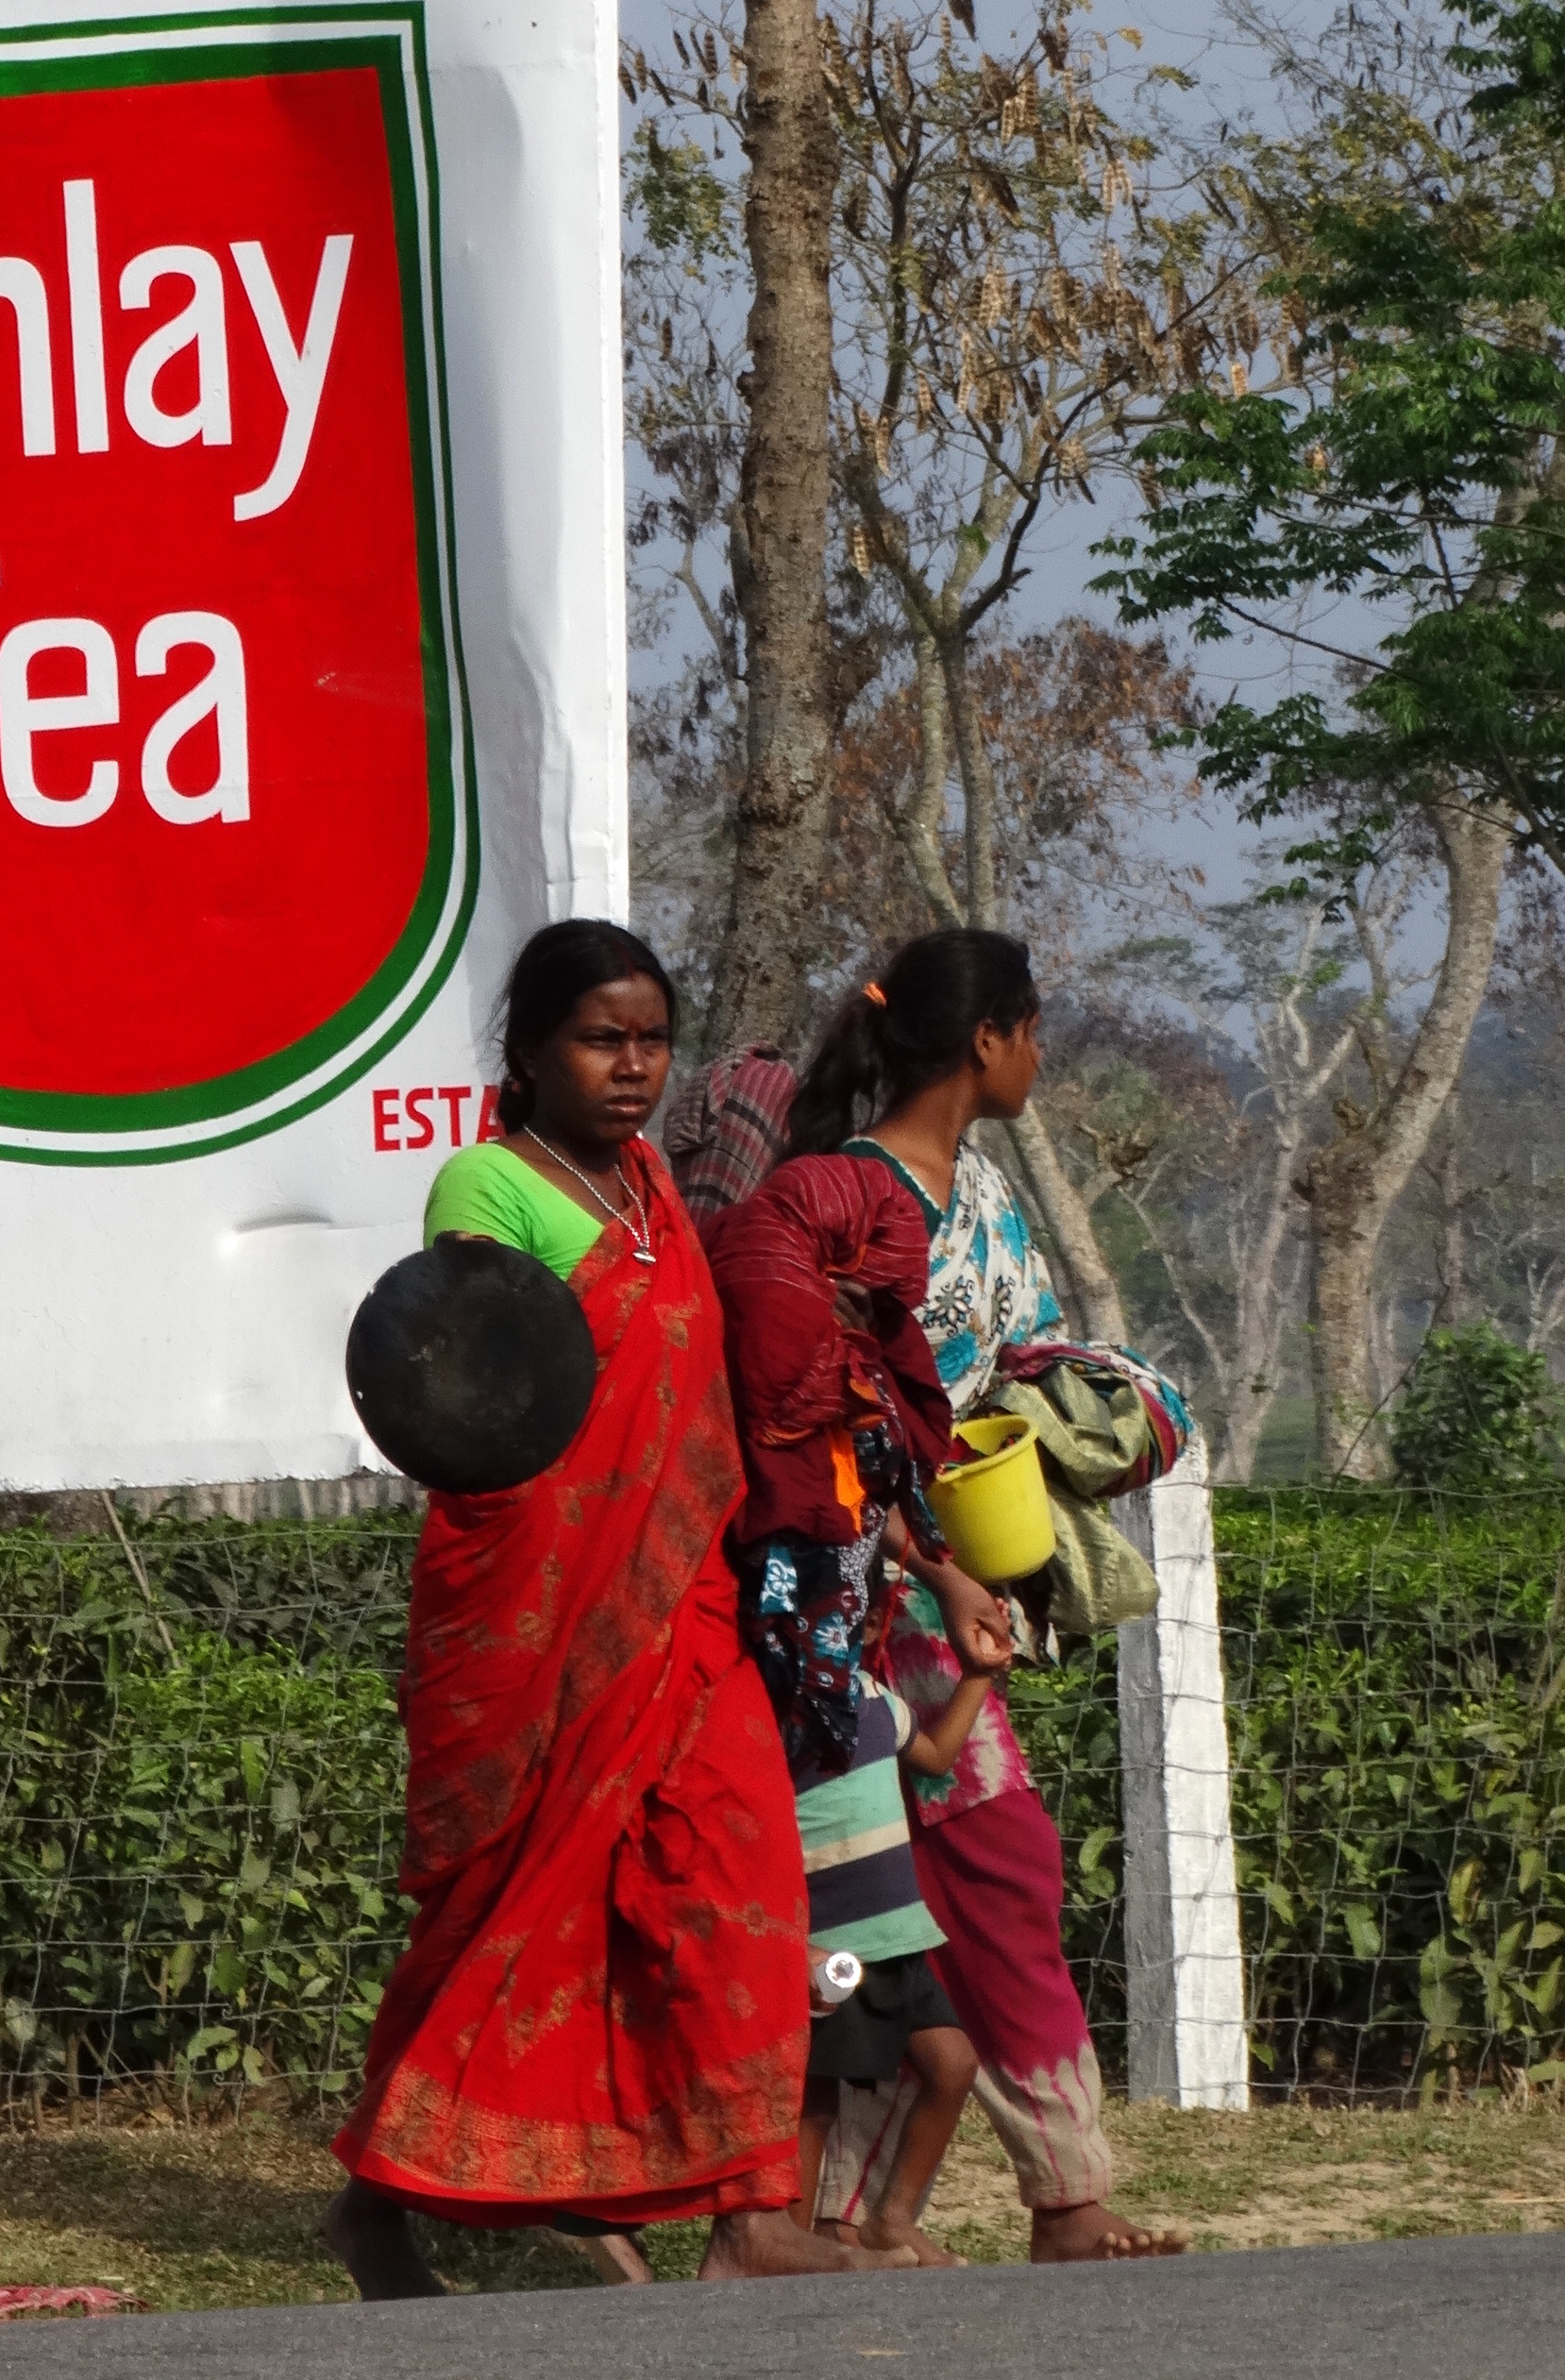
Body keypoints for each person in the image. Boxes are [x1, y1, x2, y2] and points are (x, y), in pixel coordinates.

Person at [326, 920, 906, 2299]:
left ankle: (746, 2204)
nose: (635, 1066)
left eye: (650, 1037)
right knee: (513, 1914)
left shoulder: (652, 1182)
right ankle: (377, 2196)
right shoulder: (488, 1185)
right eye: (601, 1037)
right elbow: (463, 1388)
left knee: (737, 1882)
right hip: (535, 1621)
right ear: (528, 1049)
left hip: (682, 1612)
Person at [782, 930, 1189, 2263]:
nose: (1038, 1054)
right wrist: (936, 1563)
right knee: (993, 1869)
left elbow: (1003, 1361)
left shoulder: (981, 1187)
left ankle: (836, 2212)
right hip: (871, 1597)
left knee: (895, 1906)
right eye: (1031, 1029)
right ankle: (1057, 2195)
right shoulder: (848, 1199)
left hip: (944, 1575)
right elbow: (830, 1421)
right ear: (986, 1041)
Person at [698, 1148, 953, 1781]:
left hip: (808, 1705)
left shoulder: (864, 1379)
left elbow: (905, 1454)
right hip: (741, 1685)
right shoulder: (765, 1310)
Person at [793, 1557, 1005, 2268]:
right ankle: (785, 2247)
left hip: (897, 1936)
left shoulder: (876, 1699)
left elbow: (938, 1755)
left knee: (951, 2068)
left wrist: (977, 1674)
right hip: (831, 1943)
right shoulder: (782, 1713)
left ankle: (890, 2220)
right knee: (813, 2102)